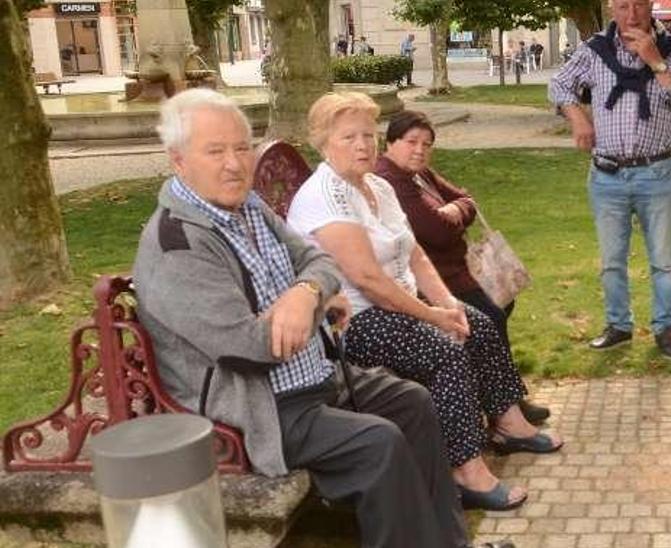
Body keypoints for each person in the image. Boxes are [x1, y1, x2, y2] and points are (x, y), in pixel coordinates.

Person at [132, 88, 471, 547]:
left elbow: (321, 262)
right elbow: (251, 348)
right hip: (258, 405)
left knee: (412, 403)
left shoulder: (246, 205)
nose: (234, 163)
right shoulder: (179, 246)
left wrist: (304, 291)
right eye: (215, 151)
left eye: (241, 147)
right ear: (179, 161)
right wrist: (315, 300)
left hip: (311, 377)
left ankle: (449, 542)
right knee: (379, 443)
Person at [287, 92, 562, 512]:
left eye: (368, 134)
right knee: (446, 350)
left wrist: (448, 303)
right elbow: (368, 280)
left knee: (478, 323)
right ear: (323, 143)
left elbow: (414, 253)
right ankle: (464, 472)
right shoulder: (323, 195)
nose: (363, 145)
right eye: (348, 137)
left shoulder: (377, 184)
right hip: (357, 321)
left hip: (403, 302)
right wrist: (433, 316)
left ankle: (510, 426)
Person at [374, 109, 552, 426]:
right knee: (491, 317)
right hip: (434, 281)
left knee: (502, 305)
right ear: (390, 142)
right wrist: (451, 217)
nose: (420, 150)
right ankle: (504, 407)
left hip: (458, 271)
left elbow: (467, 200)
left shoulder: (419, 173)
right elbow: (435, 232)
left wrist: (454, 209)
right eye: (411, 141)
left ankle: (500, 395)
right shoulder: (391, 180)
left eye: (427, 144)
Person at [548, 0, 671, 359]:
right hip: (607, 175)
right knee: (612, 260)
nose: (631, 16)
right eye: (622, 6)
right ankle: (618, 325)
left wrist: (654, 60)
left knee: (663, 260)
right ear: (610, 9)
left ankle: (666, 329)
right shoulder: (594, 51)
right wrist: (578, 118)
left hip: (656, 172)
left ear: (650, 6)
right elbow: (559, 85)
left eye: (638, 6)